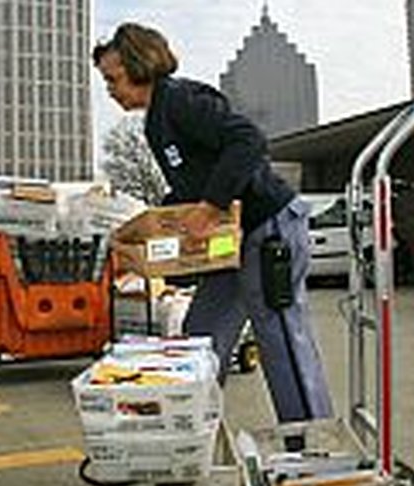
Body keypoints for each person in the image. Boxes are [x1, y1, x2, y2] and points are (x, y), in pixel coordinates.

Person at [93, 23, 333, 424]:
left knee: (280, 339)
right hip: (230, 244)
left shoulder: (181, 98)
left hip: (267, 227)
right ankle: (188, 435)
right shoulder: (156, 123)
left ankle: (313, 446)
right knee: (200, 337)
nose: (110, 89)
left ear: (139, 65)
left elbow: (248, 141)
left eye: (112, 79)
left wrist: (208, 206)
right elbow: (188, 191)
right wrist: (148, 230)